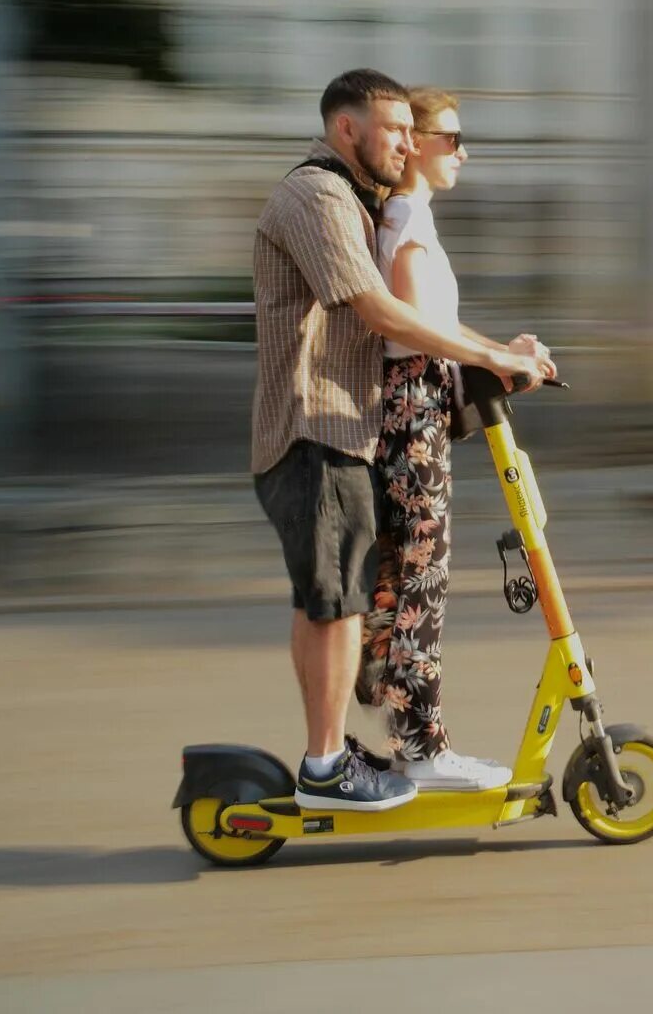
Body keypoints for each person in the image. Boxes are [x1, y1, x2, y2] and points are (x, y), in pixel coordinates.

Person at [250, 69, 556, 812]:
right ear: (347, 127)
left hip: (342, 427)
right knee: (338, 597)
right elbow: (385, 315)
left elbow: (418, 321)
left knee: (356, 593)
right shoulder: (317, 195)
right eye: (397, 130)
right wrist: (493, 357)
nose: (409, 143)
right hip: (311, 425)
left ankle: (368, 743)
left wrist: (495, 354)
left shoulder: (357, 200)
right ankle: (327, 766)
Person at [356, 86, 545, 790]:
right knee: (420, 581)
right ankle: (422, 746)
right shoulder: (403, 218)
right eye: (453, 139)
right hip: (410, 414)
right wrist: (496, 358)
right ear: (418, 145)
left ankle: (409, 725)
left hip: (422, 408)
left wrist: (508, 352)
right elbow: (408, 330)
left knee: (417, 577)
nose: (463, 152)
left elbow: (441, 330)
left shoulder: (416, 220)